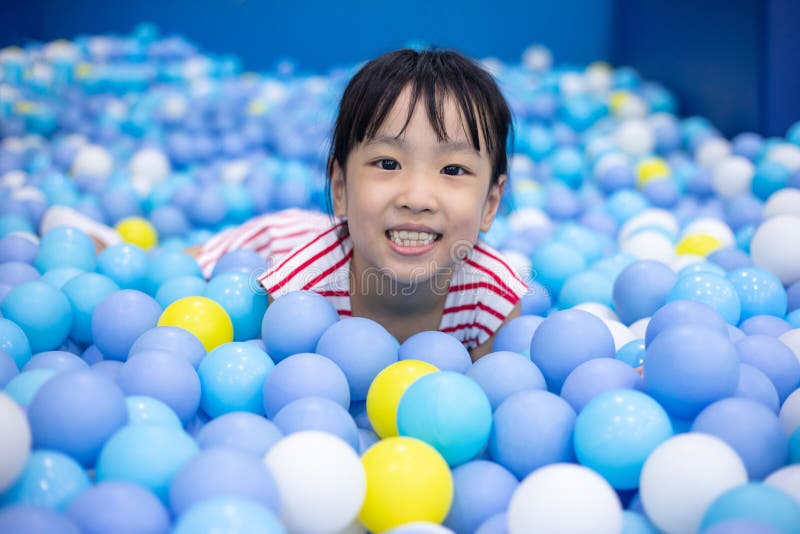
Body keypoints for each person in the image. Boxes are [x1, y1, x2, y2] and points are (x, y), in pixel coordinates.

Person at [43, 48, 529, 361]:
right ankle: (107, 244)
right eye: (386, 163)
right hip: (282, 240)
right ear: (340, 187)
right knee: (181, 269)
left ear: (491, 204)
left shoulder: (493, 297)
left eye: (453, 171)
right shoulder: (296, 287)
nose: (417, 199)